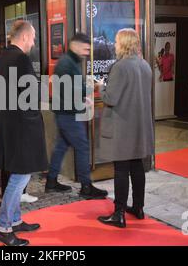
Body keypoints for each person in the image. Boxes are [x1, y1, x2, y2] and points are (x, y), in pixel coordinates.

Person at [0, 20, 48, 246]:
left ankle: (14, 220)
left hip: (8, 125)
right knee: (20, 178)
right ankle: (3, 227)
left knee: (17, 175)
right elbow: (32, 96)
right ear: (24, 37)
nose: (33, 43)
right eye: (33, 38)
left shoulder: (1, 59)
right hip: (23, 128)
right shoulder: (21, 59)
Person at [96, 29, 154, 229]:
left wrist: (100, 87)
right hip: (139, 126)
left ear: (123, 44)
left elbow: (111, 99)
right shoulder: (145, 65)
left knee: (121, 169)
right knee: (137, 166)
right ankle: (138, 208)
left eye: (116, 41)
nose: (114, 44)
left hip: (122, 127)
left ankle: (119, 213)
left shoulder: (120, 67)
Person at [45, 33, 108, 200]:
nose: (87, 52)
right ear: (76, 45)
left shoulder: (70, 61)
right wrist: (93, 88)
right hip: (68, 114)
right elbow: (70, 89)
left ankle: (51, 181)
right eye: (86, 49)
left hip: (66, 112)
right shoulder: (67, 63)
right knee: (82, 147)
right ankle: (86, 186)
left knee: (61, 147)